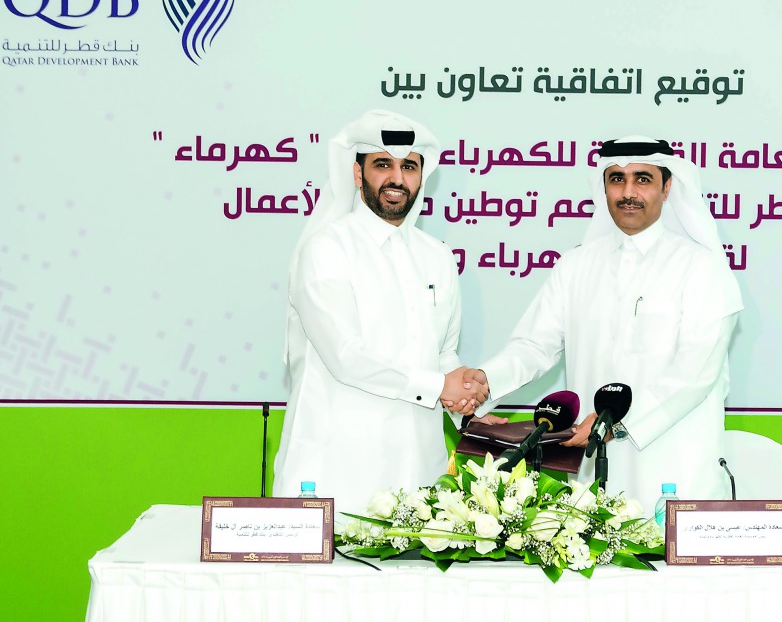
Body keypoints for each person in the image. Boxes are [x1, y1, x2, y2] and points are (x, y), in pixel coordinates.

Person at [468, 136, 743, 511]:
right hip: (593, 467)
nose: (628, 192)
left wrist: (613, 421)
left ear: (667, 188)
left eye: (643, 179)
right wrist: (487, 380)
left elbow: (695, 372)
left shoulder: (701, 268)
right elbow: (534, 344)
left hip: (674, 465)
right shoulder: (577, 266)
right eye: (616, 179)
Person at [274, 110, 486, 513]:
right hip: (339, 466)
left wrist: (470, 410)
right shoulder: (326, 250)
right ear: (357, 174)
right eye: (382, 165)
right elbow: (346, 357)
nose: (397, 179)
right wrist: (441, 386)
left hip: (417, 468)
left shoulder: (437, 257)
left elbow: (443, 355)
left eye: (409, 167)